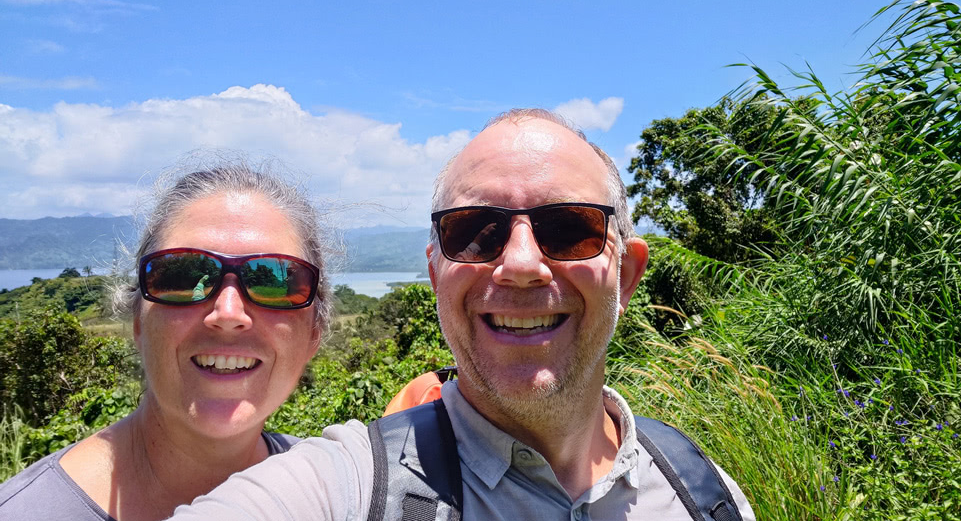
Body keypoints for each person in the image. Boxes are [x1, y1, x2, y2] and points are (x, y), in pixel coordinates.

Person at [168, 110, 755, 520]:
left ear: (625, 273)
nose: (521, 264)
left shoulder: (703, 493)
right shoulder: (352, 487)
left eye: (569, 229)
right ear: (434, 274)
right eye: (475, 233)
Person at [0, 161, 334, 520]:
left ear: (314, 332)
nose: (228, 312)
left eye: (279, 282)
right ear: (137, 320)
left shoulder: (334, 494)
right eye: (182, 275)